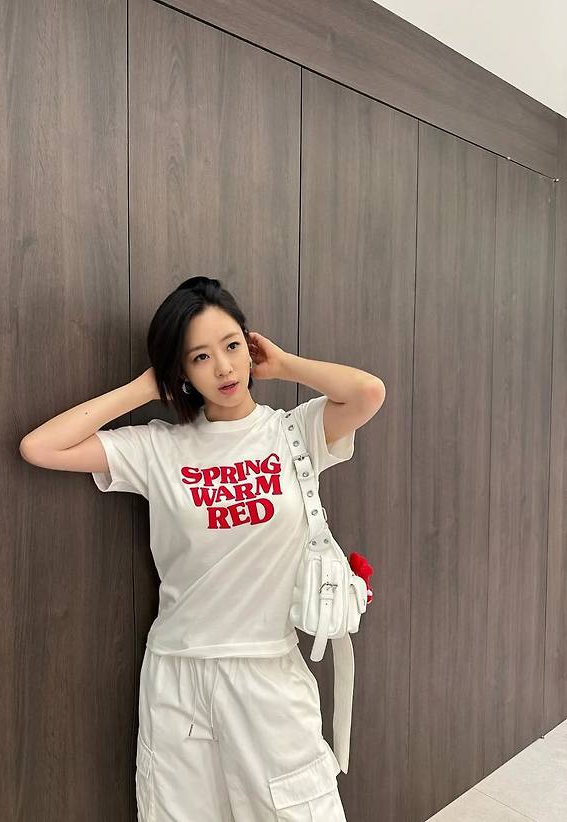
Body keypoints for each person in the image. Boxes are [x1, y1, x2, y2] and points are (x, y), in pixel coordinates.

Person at [19, 275, 385, 821]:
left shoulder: (294, 432)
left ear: (250, 346)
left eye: (232, 346)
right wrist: (145, 389)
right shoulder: (160, 448)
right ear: (182, 372)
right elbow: (40, 447)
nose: (224, 368)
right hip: (179, 674)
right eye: (200, 357)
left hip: (267, 671)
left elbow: (368, 392)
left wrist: (285, 366)